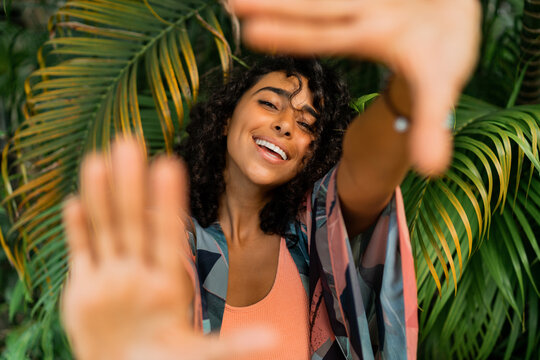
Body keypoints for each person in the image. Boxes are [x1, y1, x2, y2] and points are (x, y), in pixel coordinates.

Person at [60, 0, 480, 359]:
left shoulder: (313, 239)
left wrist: (411, 88)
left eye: (305, 124)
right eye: (269, 104)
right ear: (226, 120)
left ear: (312, 156)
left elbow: (366, 170)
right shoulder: (163, 236)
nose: (284, 125)